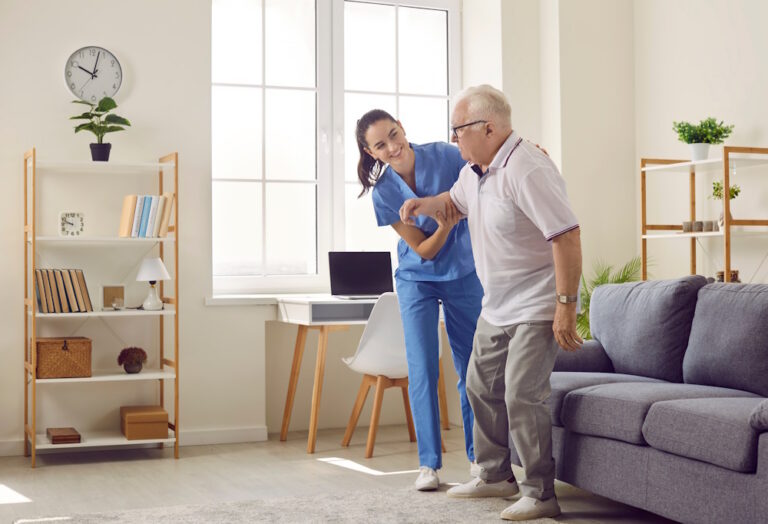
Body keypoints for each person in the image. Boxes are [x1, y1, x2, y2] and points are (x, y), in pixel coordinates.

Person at [399, 85, 583, 521]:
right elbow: (455, 204)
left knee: (522, 393)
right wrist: (426, 205)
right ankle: (496, 475)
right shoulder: (475, 171)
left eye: (458, 129)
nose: (453, 138)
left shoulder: (527, 168)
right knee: (479, 386)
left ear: (489, 127)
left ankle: (541, 493)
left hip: (538, 303)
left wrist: (565, 306)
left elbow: (567, 236)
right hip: (496, 304)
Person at [355, 109, 484, 491]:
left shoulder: (446, 155)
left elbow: (485, 171)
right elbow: (424, 251)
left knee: (471, 368)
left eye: (395, 135)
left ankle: (480, 459)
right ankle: (428, 465)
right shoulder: (383, 194)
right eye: (381, 144)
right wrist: (446, 223)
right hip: (416, 279)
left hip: (464, 272)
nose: (393, 147)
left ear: (403, 128)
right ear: (371, 152)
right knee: (423, 368)